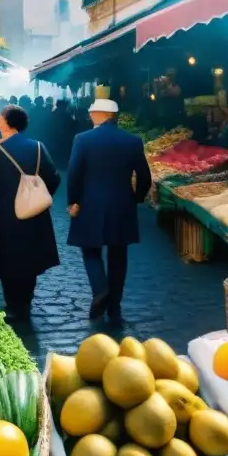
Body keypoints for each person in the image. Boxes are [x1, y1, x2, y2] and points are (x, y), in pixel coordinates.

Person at [66, 98, 152, 324]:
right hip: (121, 204)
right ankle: (114, 305)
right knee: (119, 255)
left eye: (92, 112)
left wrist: (73, 201)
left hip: (89, 204)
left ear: (101, 114)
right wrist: (136, 199)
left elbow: (74, 173)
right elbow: (145, 177)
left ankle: (100, 290)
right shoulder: (132, 140)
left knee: (90, 250)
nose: (90, 116)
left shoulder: (82, 139)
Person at [0, 105, 60, 321]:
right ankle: (26, 301)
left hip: (6, 214)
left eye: (0, 118)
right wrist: (37, 198)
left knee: (8, 257)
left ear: (5, 123)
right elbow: (53, 178)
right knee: (30, 257)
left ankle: (13, 305)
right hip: (35, 213)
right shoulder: (39, 147)